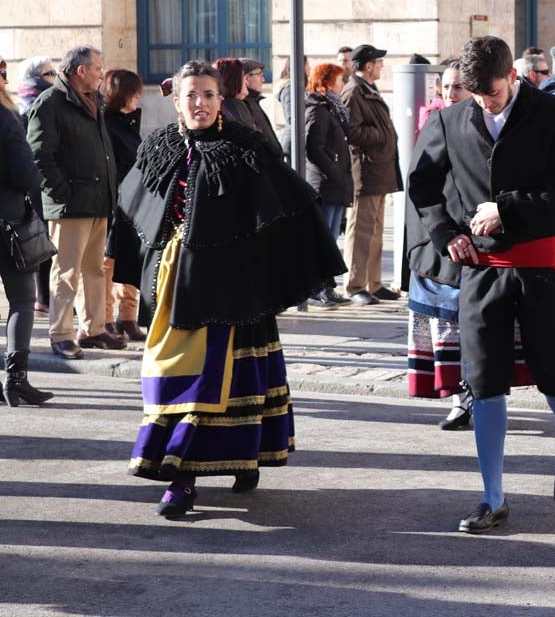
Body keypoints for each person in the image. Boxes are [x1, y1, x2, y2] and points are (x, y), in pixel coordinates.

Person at [109, 60, 345, 518]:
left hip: (232, 287)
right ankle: (203, 465)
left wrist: (276, 269)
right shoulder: (157, 147)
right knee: (168, 377)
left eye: (208, 95)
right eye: (190, 95)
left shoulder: (245, 147)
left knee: (215, 381)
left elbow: (289, 205)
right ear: (175, 99)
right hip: (172, 283)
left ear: (222, 100)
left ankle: (184, 477)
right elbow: (132, 204)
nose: (199, 103)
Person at [407, 35, 555, 534]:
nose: (484, 103)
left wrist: (506, 207)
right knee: (484, 381)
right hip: (481, 269)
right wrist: (447, 233)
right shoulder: (448, 119)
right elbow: (422, 184)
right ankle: (493, 497)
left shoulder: (554, 115)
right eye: (477, 96)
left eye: (491, 93)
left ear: (512, 76)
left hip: (538, 262)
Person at [405, 57, 529, 430]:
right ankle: (461, 400)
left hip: (485, 242)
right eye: (446, 87)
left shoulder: (491, 123)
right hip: (441, 244)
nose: (451, 93)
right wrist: (441, 233)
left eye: (458, 87)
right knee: (445, 325)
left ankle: (487, 395)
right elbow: (421, 186)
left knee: (484, 326)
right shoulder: (439, 122)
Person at [26, 45, 123, 359]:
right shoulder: (50, 103)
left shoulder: (94, 99)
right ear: (81, 70)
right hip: (70, 204)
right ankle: (61, 333)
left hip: (97, 200)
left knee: (94, 269)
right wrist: (61, 192)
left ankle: (94, 330)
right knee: (66, 271)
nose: (101, 73)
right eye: (97, 68)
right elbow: (39, 156)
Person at [0, 81, 54, 406]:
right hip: (8, 221)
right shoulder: (6, 118)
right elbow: (26, 176)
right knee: (22, 299)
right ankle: (16, 379)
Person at [342, 44, 402, 305]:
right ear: (368, 66)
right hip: (365, 170)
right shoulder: (353, 91)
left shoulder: (368, 88)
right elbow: (351, 132)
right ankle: (355, 286)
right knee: (361, 231)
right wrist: (380, 135)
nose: (381, 67)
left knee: (376, 231)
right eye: (378, 63)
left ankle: (374, 283)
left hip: (379, 168)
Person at [100, 69, 147, 342]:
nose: (138, 98)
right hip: (114, 201)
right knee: (107, 262)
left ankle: (127, 317)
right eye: (134, 93)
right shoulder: (106, 123)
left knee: (131, 258)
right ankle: (106, 319)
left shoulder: (129, 122)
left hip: (134, 200)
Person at [304, 63, 355, 308]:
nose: (342, 84)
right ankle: (314, 289)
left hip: (336, 183)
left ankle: (328, 286)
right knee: (322, 240)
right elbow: (314, 148)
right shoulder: (317, 109)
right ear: (327, 82)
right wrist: (334, 171)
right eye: (339, 80)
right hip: (324, 184)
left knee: (332, 240)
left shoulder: (333, 108)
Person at [16, 56, 57, 312]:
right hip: (34, 180)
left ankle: (43, 297)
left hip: (37, 178)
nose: (54, 76)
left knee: (42, 237)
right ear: (36, 78)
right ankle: (42, 298)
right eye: (49, 72)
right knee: (39, 237)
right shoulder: (33, 105)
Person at [239, 58, 285, 158]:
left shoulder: (252, 101)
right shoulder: (243, 105)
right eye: (259, 74)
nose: (263, 80)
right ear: (246, 78)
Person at [215, 58, 253, 127]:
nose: (247, 82)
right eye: (243, 77)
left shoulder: (234, 105)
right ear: (233, 80)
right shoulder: (229, 109)